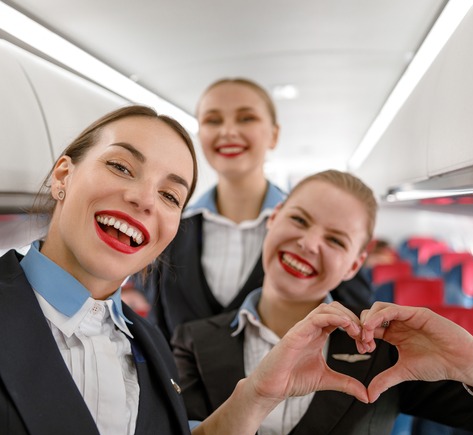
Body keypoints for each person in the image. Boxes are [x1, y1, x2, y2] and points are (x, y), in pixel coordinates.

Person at [0, 106, 371, 435]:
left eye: (169, 195)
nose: (142, 198)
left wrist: (257, 395)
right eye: (119, 166)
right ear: (63, 174)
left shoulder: (150, 346)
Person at [173, 170, 473, 435]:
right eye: (299, 220)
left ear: (355, 263)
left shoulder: (382, 349)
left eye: (335, 240)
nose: (308, 243)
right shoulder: (192, 340)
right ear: (274, 218)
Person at [125, 78, 371, 341]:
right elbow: (158, 330)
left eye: (246, 118)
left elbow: (354, 327)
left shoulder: (317, 237)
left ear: (274, 134)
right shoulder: (170, 228)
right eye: (213, 120)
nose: (228, 131)